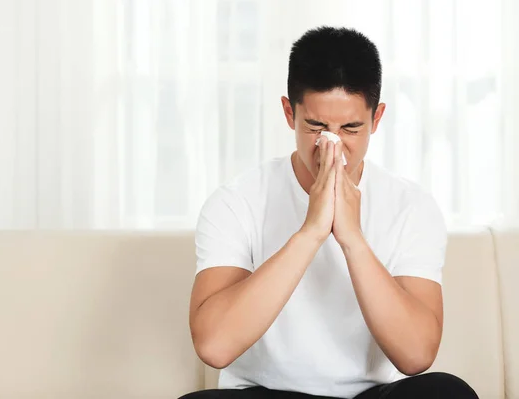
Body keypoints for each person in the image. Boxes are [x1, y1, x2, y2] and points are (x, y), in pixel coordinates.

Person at [179, 27, 478, 399]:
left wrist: (352, 238)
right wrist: (311, 233)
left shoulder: (411, 206)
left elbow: (416, 356)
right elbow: (214, 346)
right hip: (265, 392)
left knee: (447, 393)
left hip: (371, 395)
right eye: (316, 126)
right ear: (290, 113)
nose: (331, 144)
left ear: (377, 118)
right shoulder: (235, 201)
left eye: (351, 128)